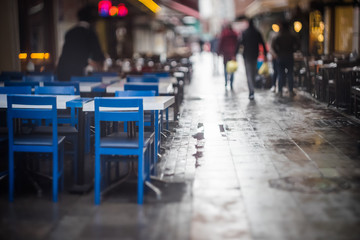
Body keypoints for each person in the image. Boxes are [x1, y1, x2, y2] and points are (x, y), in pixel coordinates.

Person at [57, 4, 105, 81]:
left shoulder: (70, 32)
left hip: (61, 72)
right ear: (93, 20)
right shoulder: (90, 33)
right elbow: (98, 56)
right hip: (76, 74)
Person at [236, 18, 267, 100]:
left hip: (247, 56)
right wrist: (265, 54)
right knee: (253, 72)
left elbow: (239, 43)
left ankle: (251, 91)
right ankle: (252, 89)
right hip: (255, 55)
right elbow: (262, 43)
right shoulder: (257, 32)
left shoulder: (245, 33)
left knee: (249, 73)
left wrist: (235, 53)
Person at [271, 20, 300, 97]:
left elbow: (273, 46)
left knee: (280, 74)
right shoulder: (292, 36)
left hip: (280, 57)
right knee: (290, 73)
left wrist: (277, 52)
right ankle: (290, 90)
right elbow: (298, 45)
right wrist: (293, 50)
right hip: (289, 56)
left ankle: (280, 91)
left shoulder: (278, 36)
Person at [218, 23, 238, 89]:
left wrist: (219, 51)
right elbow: (237, 44)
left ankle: (226, 81)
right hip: (233, 54)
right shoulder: (235, 34)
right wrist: (236, 52)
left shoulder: (224, 34)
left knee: (225, 68)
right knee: (232, 68)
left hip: (225, 54)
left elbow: (221, 43)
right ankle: (231, 82)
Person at [268, 27, 279, 93]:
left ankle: (279, 86)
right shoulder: (273, 34)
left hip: (279, 57)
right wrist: (273, 54)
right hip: (275, 57)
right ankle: (274, 85)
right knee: (275, 71)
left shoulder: (279, 35)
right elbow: (271, 47)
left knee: (279, 72)